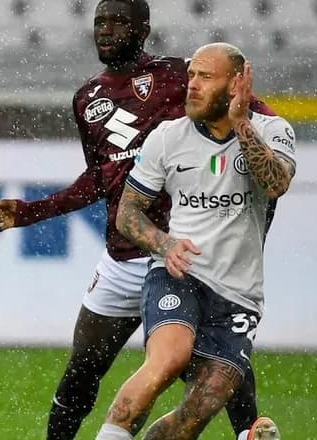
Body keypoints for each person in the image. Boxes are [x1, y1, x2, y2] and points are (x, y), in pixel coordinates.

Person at [0, 0, 278, 440]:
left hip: (188, 254)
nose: (106, 29)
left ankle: (248, 433)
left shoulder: (179, 75)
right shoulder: (88, 99)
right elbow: (102, 178)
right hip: (126, 254)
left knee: (220, 374)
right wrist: (32, 212)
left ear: (143, 29)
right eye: (100, 21)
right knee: (82, 372)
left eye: (119, 22)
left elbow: (250, 117)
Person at [94, 43, 295, 440]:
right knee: (167, 361)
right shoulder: (168, 137)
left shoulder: (274, 131)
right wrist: (165, 245)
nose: (192, 85)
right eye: (191, 76)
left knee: (197, 412)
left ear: (236, 83)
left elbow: (274, 185)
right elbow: (127, 215)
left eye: (206, 77)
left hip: (238, 293)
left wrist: (241, 124)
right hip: (179, 273)